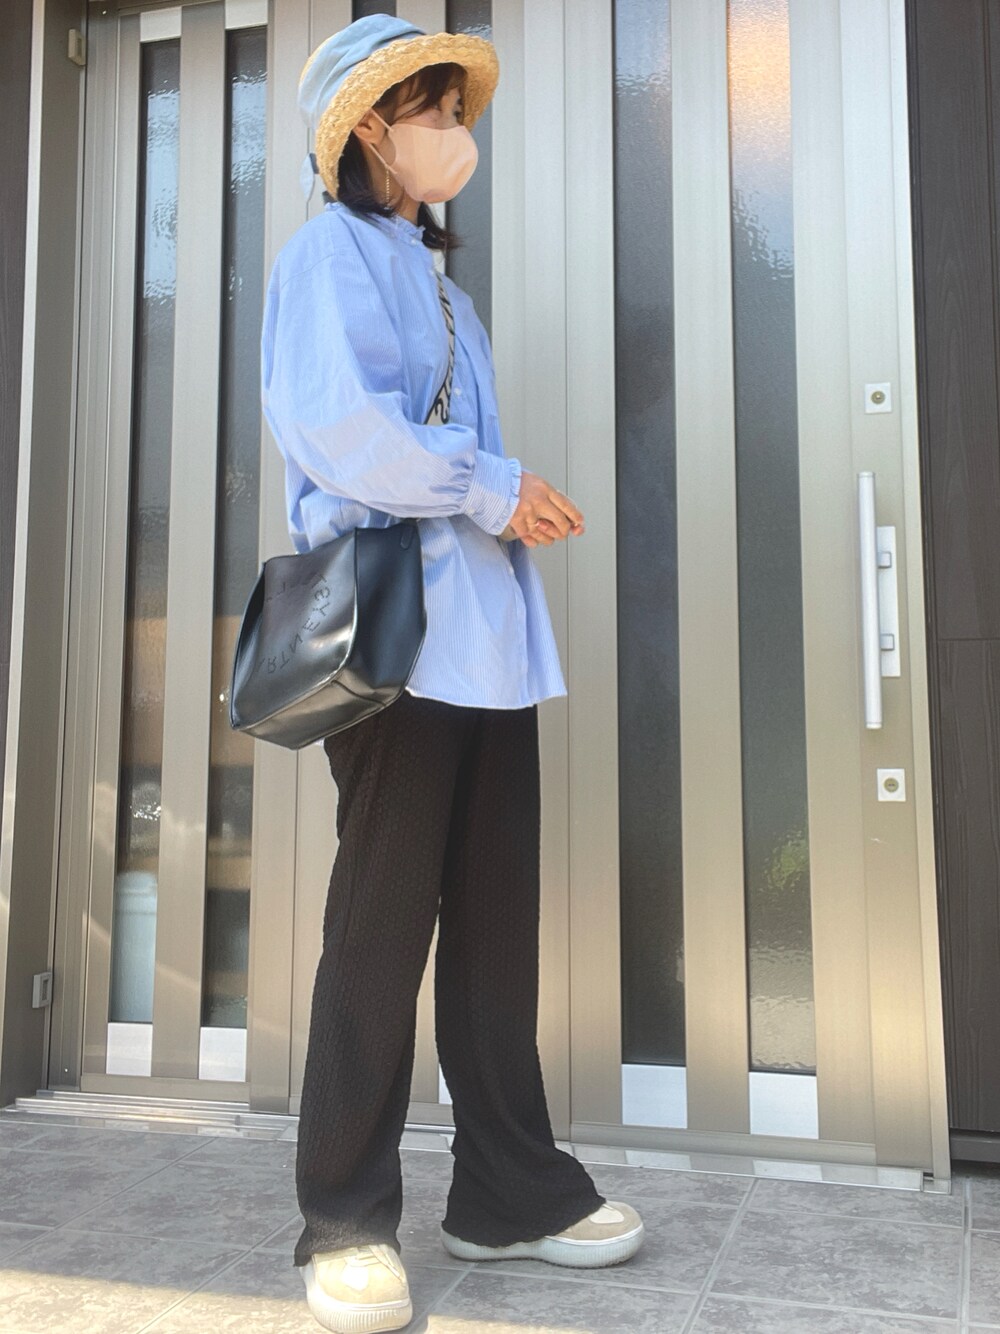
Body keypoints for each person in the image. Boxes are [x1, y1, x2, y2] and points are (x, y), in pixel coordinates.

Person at [262, 15, 644, 1333]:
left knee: (493, 930)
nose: (454, 132)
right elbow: (340, 434)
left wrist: (498, 498)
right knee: (379, 933)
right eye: (433, 109)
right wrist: (496, 485)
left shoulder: (438, 284)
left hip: (486, 649)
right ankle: (343, 1219)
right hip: (401, 651)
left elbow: (438, 456)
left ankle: (508, 1191)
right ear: (370, 127)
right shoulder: (326, 256)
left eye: (454, 108)